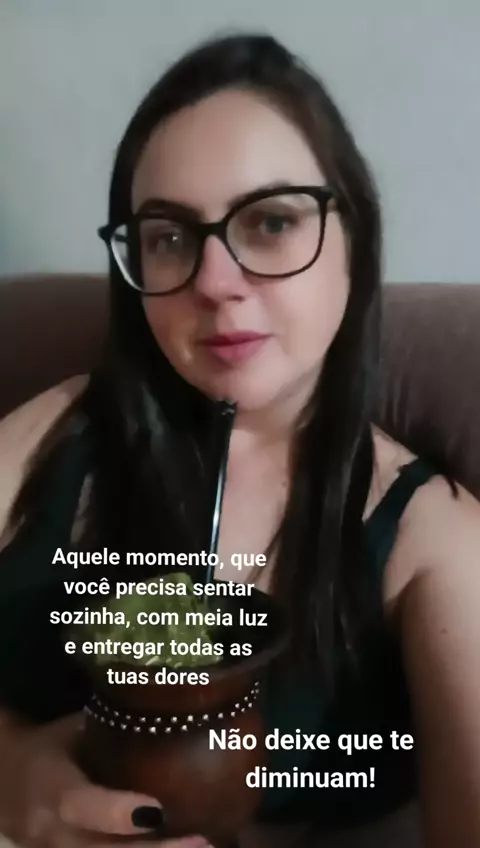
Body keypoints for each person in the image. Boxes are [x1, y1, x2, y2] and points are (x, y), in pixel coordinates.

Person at [0, 31, 479, 848]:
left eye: (272, 222)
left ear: (356, 243)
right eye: (169, 237)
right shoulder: (63, 429)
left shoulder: (431, 538)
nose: (216, 284)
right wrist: (10, 770)